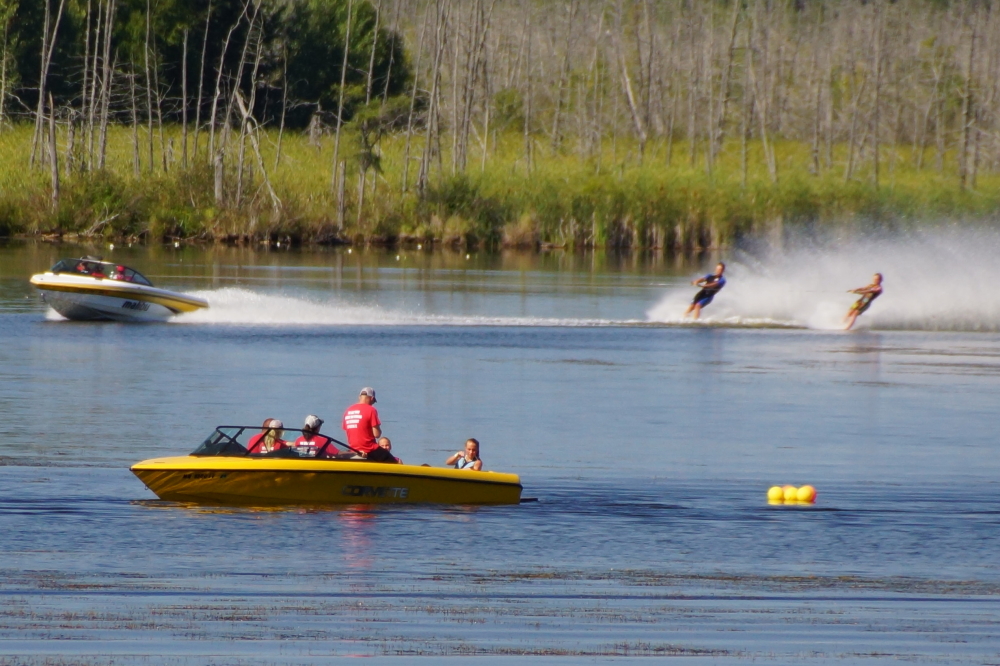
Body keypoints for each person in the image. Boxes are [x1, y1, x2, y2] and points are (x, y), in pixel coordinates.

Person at [342, 387, 396, 463]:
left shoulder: (348, 410)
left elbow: (349, 431)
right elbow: (376, 434)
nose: (372, 403)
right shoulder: (371, 409)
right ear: (372, 398)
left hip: (353, 449)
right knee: (393, 462)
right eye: (373, 401)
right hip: (369, 449)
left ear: (359, 397)